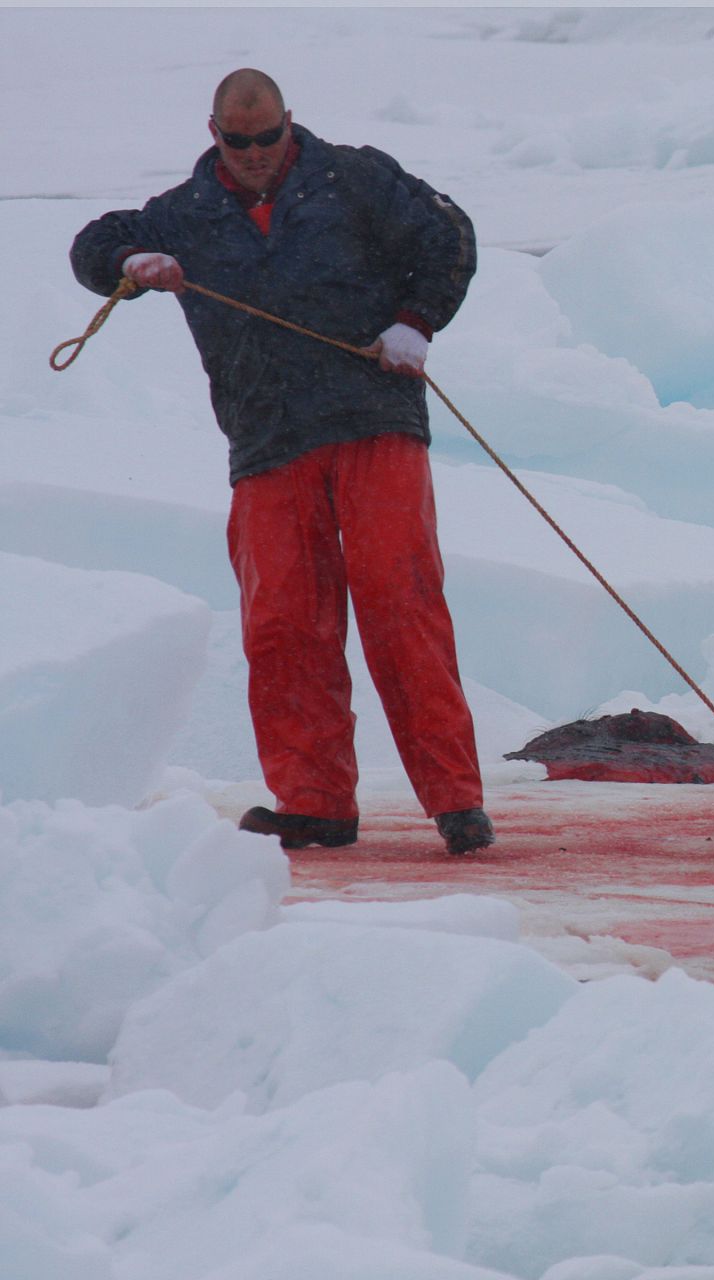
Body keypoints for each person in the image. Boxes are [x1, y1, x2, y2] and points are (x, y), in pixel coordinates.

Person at [70, 69, 495, 856]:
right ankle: (315, 803)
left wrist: (417, 323)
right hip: (267, 441)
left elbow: (448, 235)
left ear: (289, 124)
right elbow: (92, 245)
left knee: (399, 599)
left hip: (372, 419)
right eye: (241, 141)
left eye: (269, 137)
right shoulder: (184, 215)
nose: (258, 153)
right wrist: (134, 260)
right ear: (215, 134)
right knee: (283, 622)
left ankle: (456, 802)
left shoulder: (357, 176)